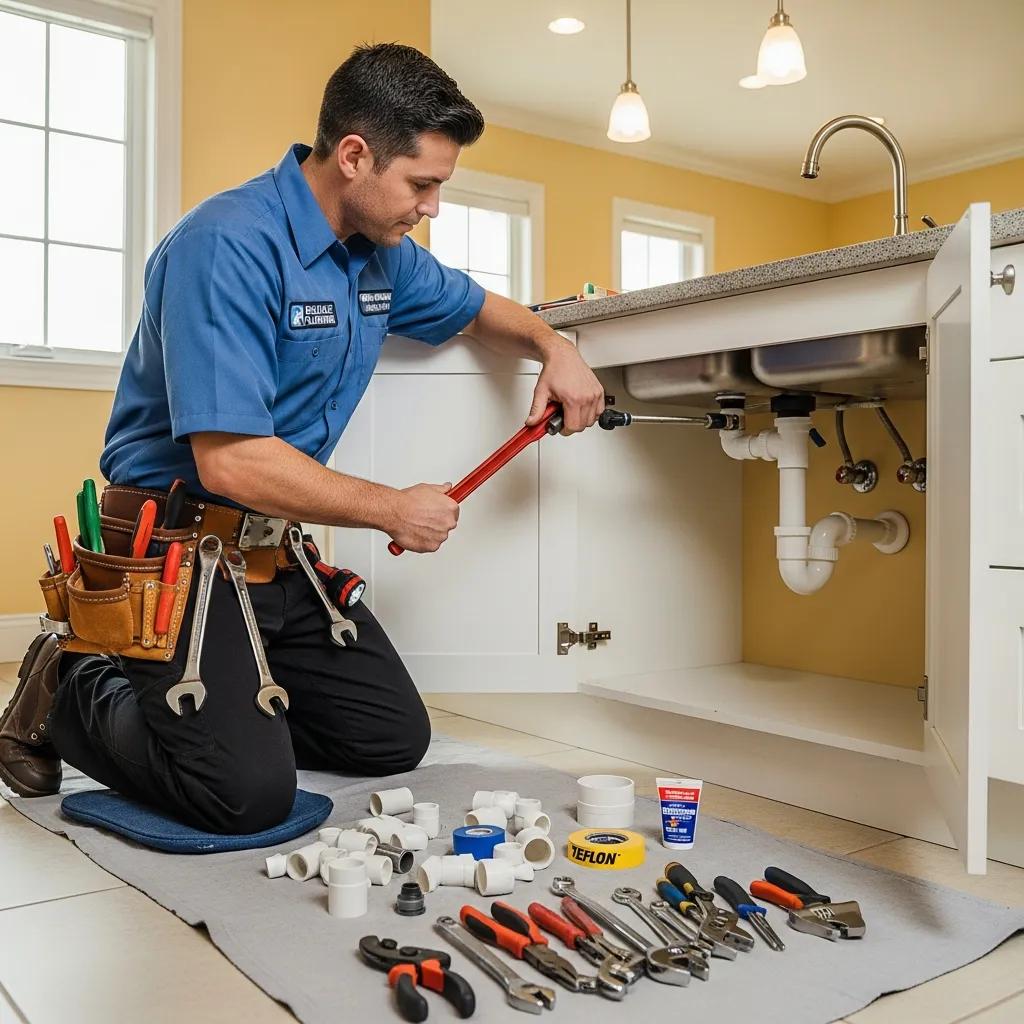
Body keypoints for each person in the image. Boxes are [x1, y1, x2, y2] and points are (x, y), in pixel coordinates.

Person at [0, 43, 604, 833]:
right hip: (174, 552)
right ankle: (76, 677)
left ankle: (224, 709)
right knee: (244, 796)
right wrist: (391, 509)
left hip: (268, 552)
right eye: (422, 184)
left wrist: (556, 347)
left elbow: (481, 307)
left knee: (389, 739)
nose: (432, 207)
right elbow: (235, 459)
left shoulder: (381, 257)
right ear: (355, 156)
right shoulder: (227, 244)